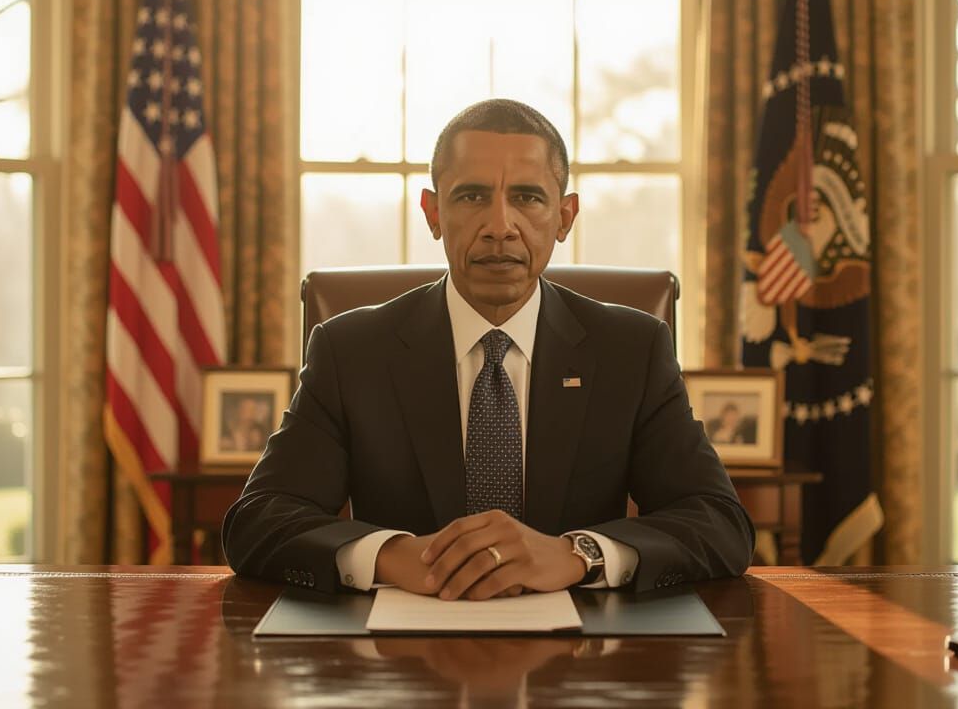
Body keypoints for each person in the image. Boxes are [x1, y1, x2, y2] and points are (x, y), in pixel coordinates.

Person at [223, 99, 754, 599]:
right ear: (433, 213)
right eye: (472, 196)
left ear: (565, 217)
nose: (500, 227)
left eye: (527, 197)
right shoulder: (350, 350)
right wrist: (392, 555)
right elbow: (260, 519)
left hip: (582, 656)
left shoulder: (631, 351)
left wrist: (578, 555)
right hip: (399, 657)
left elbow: (718, 521)